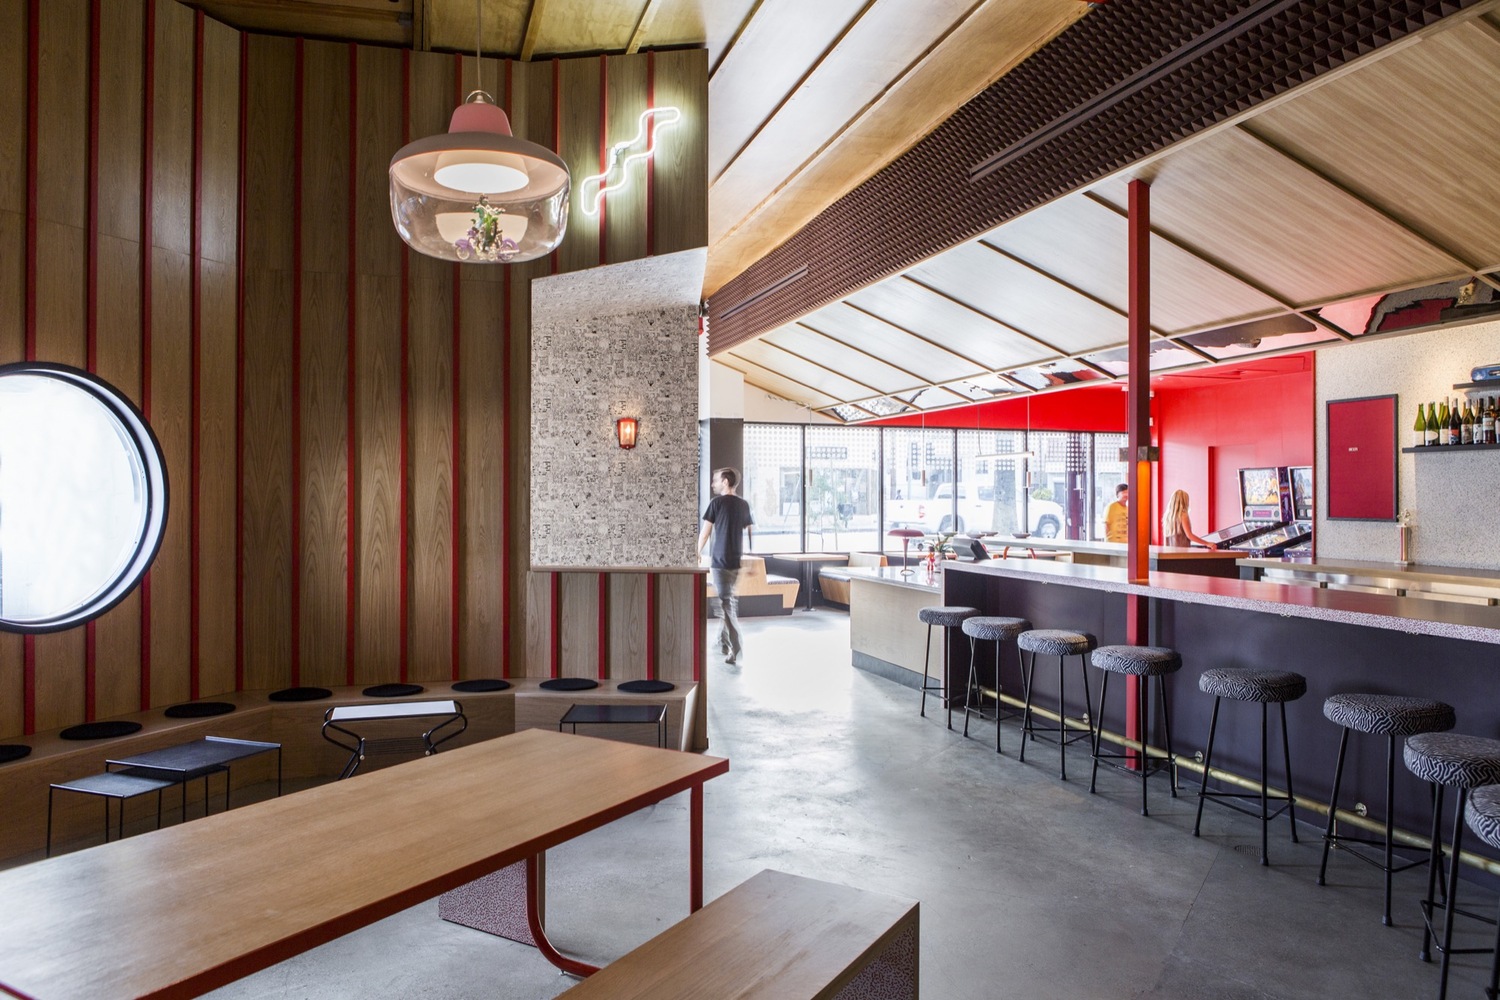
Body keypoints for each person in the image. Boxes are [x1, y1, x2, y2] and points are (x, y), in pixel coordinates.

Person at [698, 467, 754, 663]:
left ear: (725, 482)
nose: (713, 483)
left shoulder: (716, 503)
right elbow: (749, 530)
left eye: (716, 480)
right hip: (735, 561)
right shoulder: (743, 504)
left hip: (720, 561)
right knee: (727, 601)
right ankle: (722, 641)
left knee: (725, 603)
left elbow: (705, 532)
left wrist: (697, 551)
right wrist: (750, 557)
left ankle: (735, 644)